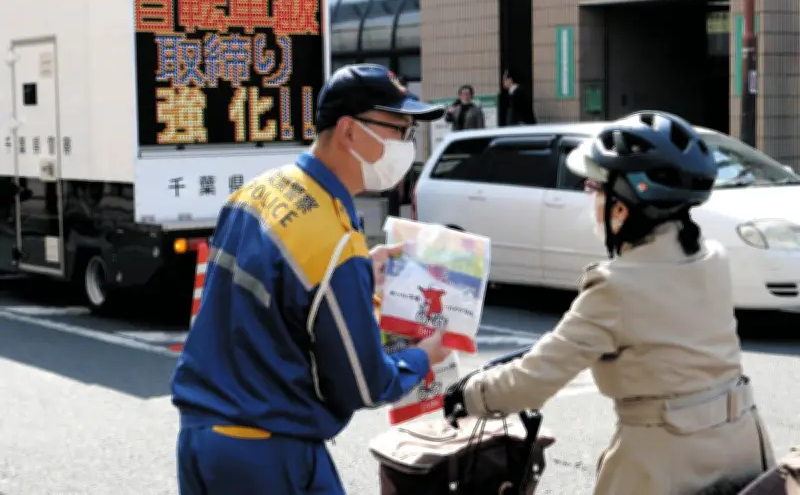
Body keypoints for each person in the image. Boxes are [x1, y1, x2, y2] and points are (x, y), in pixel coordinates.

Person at [443, 111, 774, 495]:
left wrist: (467, 395)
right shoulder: (712, 258)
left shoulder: (616, 287)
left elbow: (532, 382)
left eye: (594, 188)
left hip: (664, 466)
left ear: (621, 208)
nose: (590, 197)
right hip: (744, 447)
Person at [171, 63, 451, 495]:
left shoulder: (259, 191)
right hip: (266, 450)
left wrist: (359, 275)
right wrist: (423, 357)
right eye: (399, 129)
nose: (406, 146)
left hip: (202, 437)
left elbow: (271, 302)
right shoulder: (334, 241)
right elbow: (363, 384)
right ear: (349, 131)